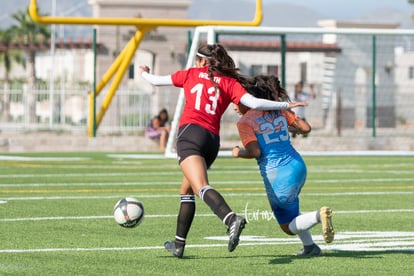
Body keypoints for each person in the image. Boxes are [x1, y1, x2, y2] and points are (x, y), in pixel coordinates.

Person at [139, 43, 308, 258]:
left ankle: (231, 219)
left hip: (190, 134)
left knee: (200, 187)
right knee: (186, 190)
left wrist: (145, 73)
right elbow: (254, 102)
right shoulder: (229, 82)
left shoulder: (190, 74)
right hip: (211, 141)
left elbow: (156, 81)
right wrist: (284, 106)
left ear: (202, 61)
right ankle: (178, 244)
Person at [232, 75, 334, 256]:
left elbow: (255, 152)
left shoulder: (245, 121)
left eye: (238, 100)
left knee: (287, 226)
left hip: (277, 174)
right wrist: (286, 128)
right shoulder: (280, 111)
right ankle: (310, 246)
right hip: (298, 165)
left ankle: (319, 216)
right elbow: (305, 128)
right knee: (292, 208)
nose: (234, 105)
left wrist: (238, 152)